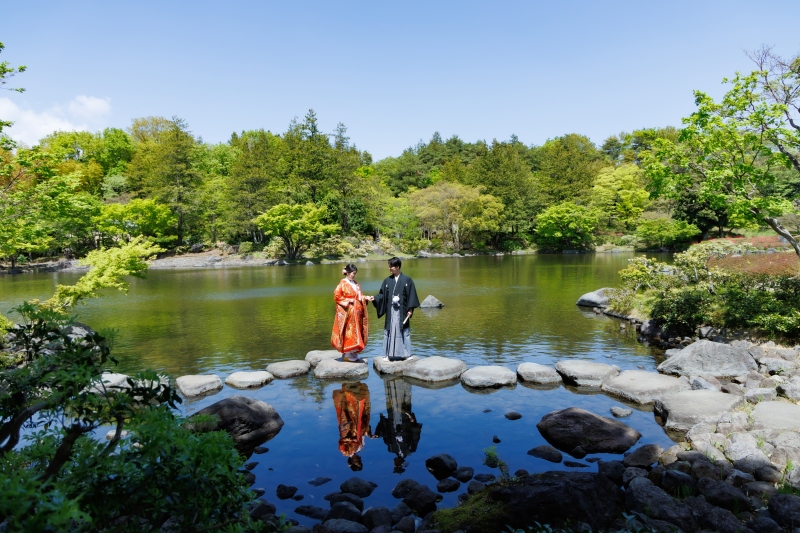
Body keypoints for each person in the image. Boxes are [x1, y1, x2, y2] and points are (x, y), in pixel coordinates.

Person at [372, 257, 420, 361]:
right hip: (391, 311)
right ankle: (387, 354)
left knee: (404, 331)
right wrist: (374, 298)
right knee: (389, 330)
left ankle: (407, 354)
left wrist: (410, 309)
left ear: (397, 267)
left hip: (402, 310)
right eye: (389, 266)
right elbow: (382, 295)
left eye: (391, 267)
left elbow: (411, 295)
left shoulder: (407, 280)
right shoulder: (387, 281)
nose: (389, 269)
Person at [331, 264, 373, 362]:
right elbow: (337, 296)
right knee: (349, 331)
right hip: (349, 311)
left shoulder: (356, 284)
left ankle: (353, 352)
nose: (354, 275)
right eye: (353, 273)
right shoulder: (342, 283)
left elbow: (359, 296)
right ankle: (348, 353)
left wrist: (365, 298)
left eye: (355, 273)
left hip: (357, 311)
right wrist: (348, 301)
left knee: (357, 331)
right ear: (348, 273)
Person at [332, 382, 373, 471]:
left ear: (352, 462)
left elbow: (342, 441)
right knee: (361, 410)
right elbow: (361, 436)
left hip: (349, 427)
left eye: (357, 462)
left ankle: (348, 391)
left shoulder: (346, 452)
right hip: (359, 426)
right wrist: (368, 434)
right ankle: (356, 390)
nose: (359, 460)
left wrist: (351, 439)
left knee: (350, 411)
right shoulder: (360, 449)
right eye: (360, 462)